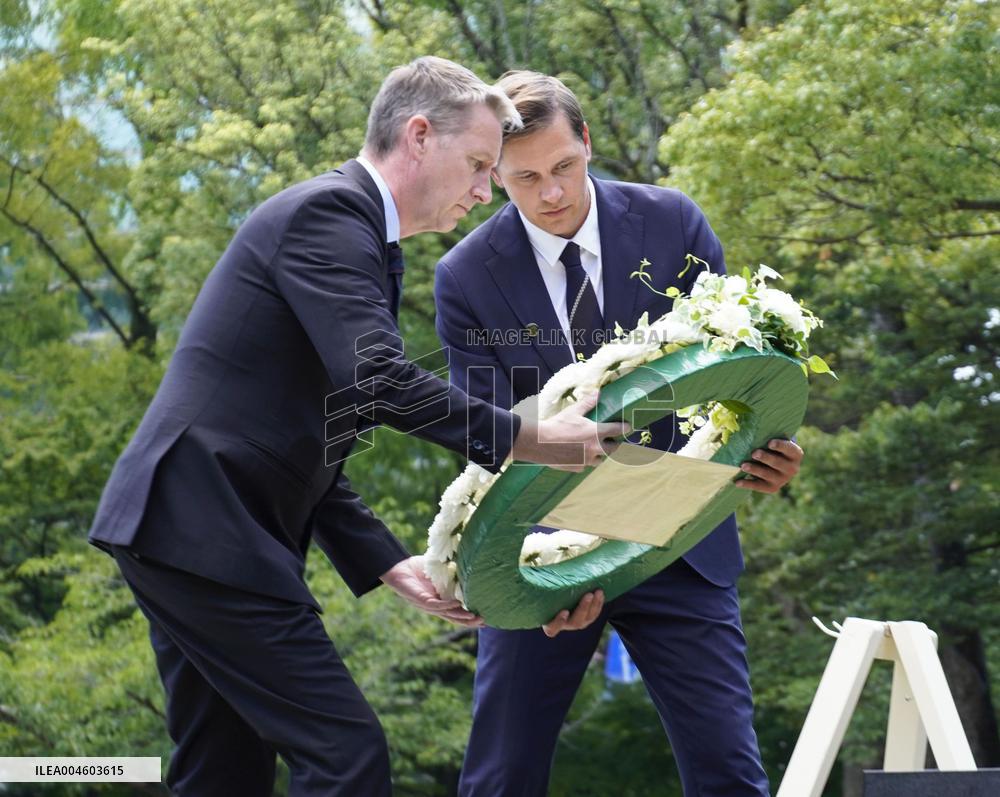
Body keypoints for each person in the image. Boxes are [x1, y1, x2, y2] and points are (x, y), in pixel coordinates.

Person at [88, 57, 623, 797]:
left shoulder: (359, 236)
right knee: (347, 756)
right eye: (476, 165)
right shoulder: (329, 216)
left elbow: (313, 425)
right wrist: (532, 437)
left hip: (186, 528)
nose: (482, 191)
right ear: (417, 136)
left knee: (223, 772)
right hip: (205, 525)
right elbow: (378, 382)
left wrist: (382, 559)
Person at [434, 71, 804, 797]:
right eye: (525, 178)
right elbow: (484, 436)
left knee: (730, 772)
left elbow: (736, 377)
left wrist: (768, 451)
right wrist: (547, 555)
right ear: (492, 175)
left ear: (588, 143)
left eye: (565, 166)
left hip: (681, 538)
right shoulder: (464, 276)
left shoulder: (675, 224)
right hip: (542, 552)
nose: (551, 194)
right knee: (500, 777)